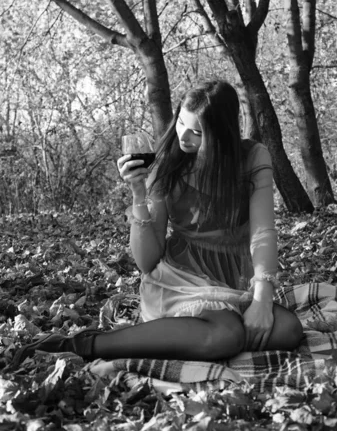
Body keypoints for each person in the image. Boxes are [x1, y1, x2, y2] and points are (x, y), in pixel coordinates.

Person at [13, 80, 303, 366]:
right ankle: (84, 344)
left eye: (197, 132)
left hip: (233, 277)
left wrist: (263, 300)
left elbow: (263, 232)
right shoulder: (169, 164)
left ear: (222, 135)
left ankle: (192, 336)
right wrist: (139, 194)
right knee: (225, 335)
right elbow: (147, 261)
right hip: (180, 278)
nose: (184, 137)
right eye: (181, 123)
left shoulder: (252, 157)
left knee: (289, 330)